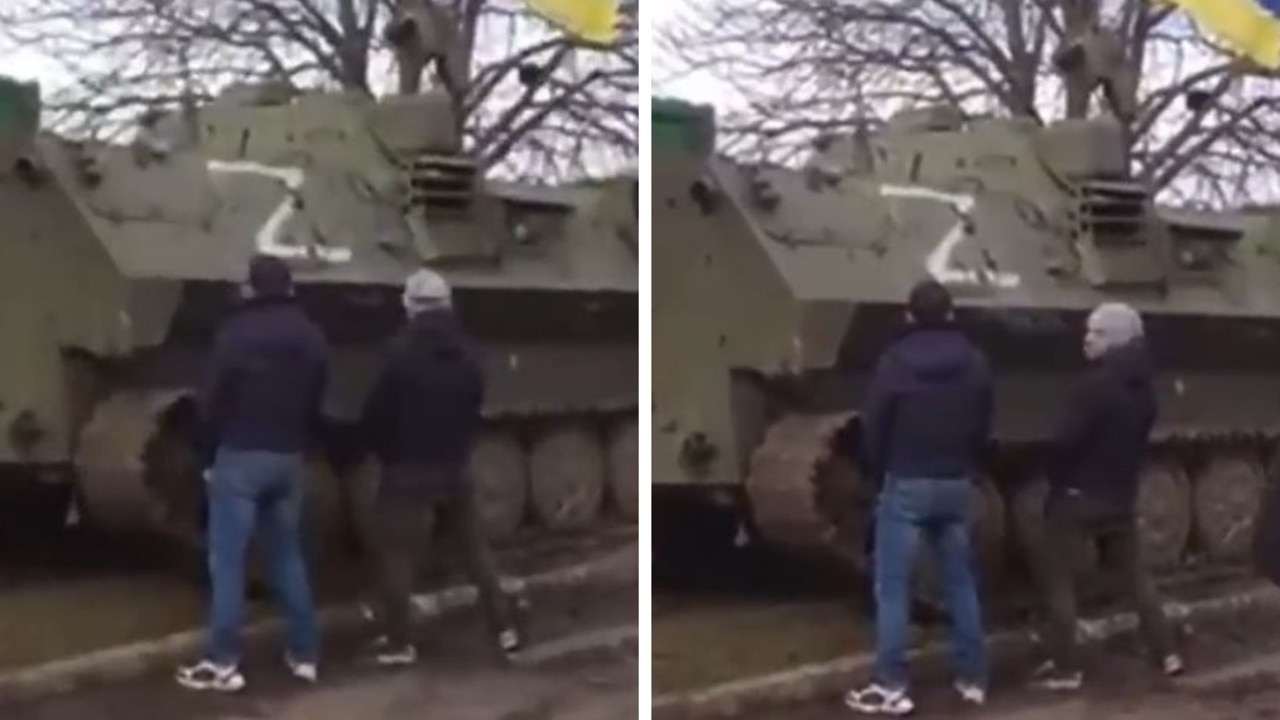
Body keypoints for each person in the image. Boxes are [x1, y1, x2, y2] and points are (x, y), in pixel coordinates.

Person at [176, 254, 328, 693]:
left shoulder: (236, 334)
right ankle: (305, 655)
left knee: (227, 563)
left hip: (240, 456)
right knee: (287, 558)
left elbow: (211, 402)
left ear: (250, 288)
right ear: (289, 287)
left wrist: (207, 457)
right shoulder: (311, 335)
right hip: (288, 456)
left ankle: (223, 664)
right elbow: (318, 396)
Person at [358, 267, 521, 666]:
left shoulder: (398, 354)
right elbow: (474, 406)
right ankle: (504, 628)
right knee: (475, 551)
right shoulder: (469, 354)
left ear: (411, 307)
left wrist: (388, 453)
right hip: (454, 465)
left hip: (408, 470)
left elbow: (377, 416)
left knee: (397, 556)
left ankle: (400, 642)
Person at [845, 279, 994, 716]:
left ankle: (892, 685)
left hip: (907, 480)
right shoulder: (976, 362)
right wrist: (969, 466)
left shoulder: (895, 363)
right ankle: (973, 677)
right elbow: (985, 423)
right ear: (951, 314)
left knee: (893, 589)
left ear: (909, 316)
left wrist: (881, 469)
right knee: (961, 583)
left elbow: (876, 427)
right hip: (955, 481)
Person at [1028, 302, 1183, 690]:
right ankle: (1167, 652)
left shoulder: (1093, 387)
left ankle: (1066, 667)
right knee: (1135, 577)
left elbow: (1063, 442)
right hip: (1119, 495)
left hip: (1079, 496)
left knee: (1059, 578)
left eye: (1096, 333)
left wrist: (1059, 479)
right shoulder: (1144, 389)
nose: (1087, 339)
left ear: (1114, 340)